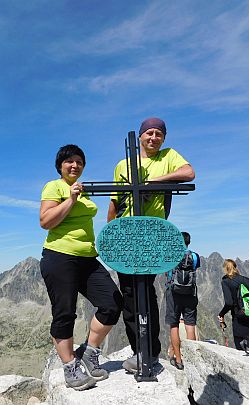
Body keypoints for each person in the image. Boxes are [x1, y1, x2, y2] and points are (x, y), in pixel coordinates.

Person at [107, 117, 195, 374]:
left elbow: (189, 173)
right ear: (141, 137)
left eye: (158, 133)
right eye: (149, 133)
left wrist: (156, 182)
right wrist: (111, 236)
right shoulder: (123, 164)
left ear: (164, 138)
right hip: (126, 234)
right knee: (130, 293)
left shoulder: (168, 156)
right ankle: (138, 351)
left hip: (152, 234)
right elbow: (115, 201)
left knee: (146, 292)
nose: (153, 137)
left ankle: (150, 353)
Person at [40, 144, 123, 391]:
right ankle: (70, 367)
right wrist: (71, 199)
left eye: (79, 162)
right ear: (60, 166)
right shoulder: (54, 186)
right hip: (59, 256)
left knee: (112, 302)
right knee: (64, 312)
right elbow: (45, 221)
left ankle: (89, 351)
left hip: (87, 257)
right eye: (69, 162)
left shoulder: (85, 190)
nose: (74, 165)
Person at [164, 232, 201, 370]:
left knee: (174, 325)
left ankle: (178, 360)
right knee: (190, 324)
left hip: (173, 293)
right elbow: (195, 269)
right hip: (190, 293)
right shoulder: (195, 256)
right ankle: (191, 360)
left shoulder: (171, 255)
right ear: (188, 242)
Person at [218, 259, 249, 351]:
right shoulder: (247, 280)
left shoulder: (226, 282)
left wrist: (221, 314)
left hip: (239, 323)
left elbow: (229, 303)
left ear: (225, 269)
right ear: (235, 267)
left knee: (242, 353)